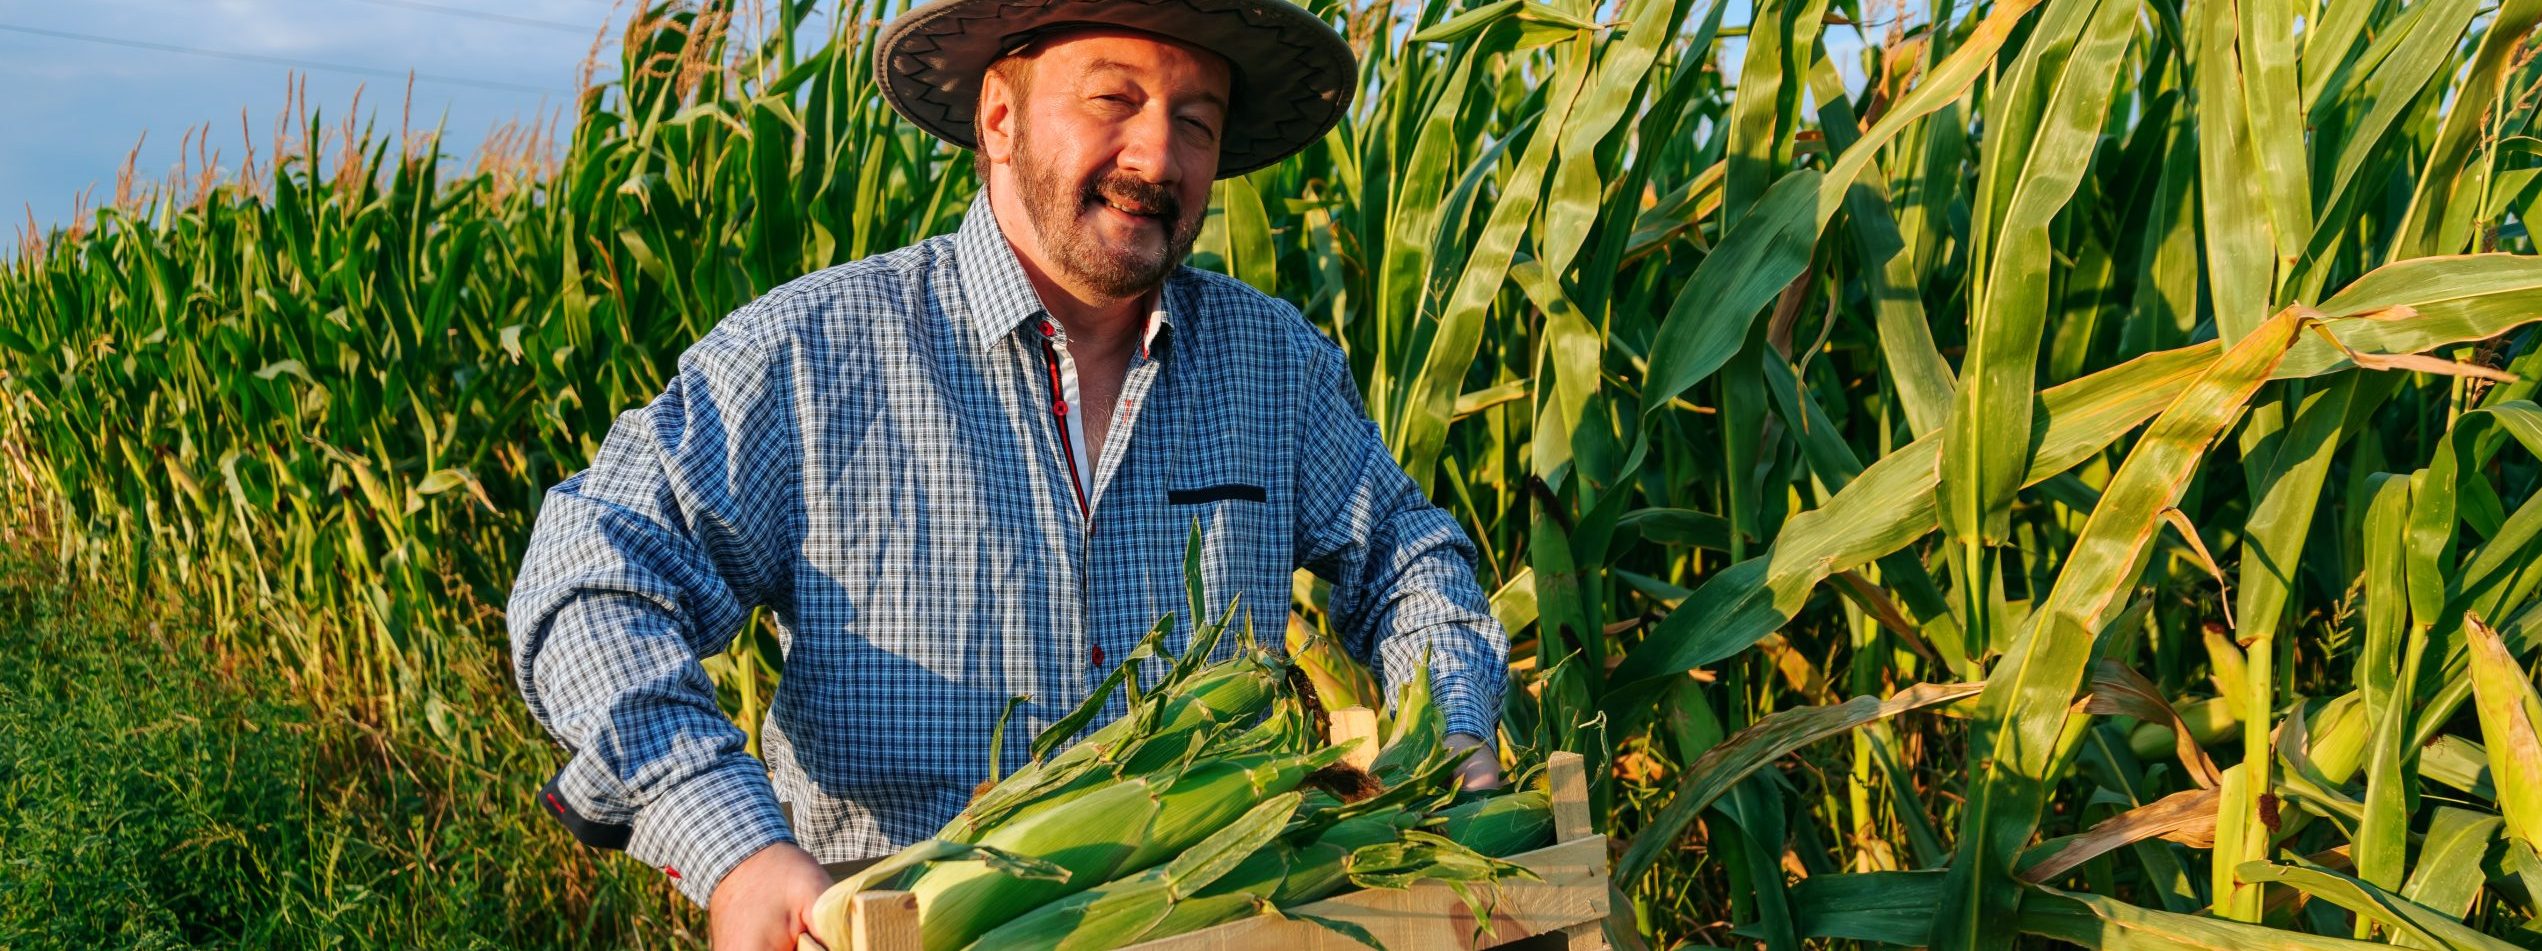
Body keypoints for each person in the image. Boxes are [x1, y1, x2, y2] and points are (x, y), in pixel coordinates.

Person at [506, 0, 1510, 947]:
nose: (1157, 155)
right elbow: (590, 585)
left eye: (1195, 122)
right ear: (999, 116)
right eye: (1113, 99)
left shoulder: (1271, 366)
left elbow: (1410, 560)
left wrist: (1450, 729)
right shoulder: (811, 360)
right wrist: (735, 851)